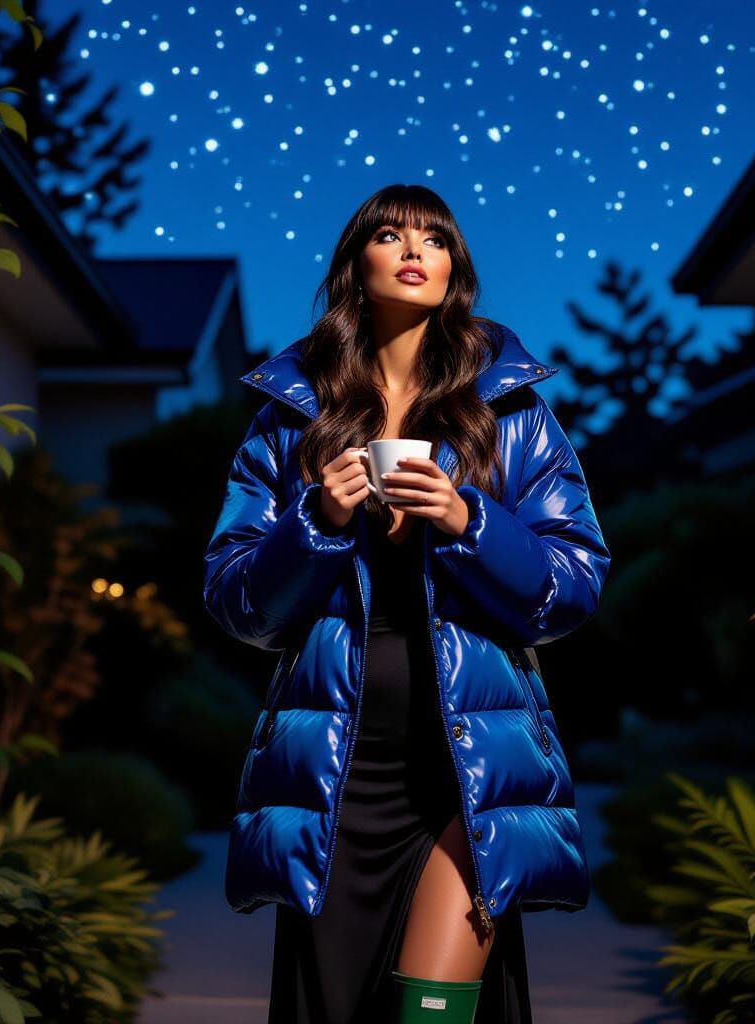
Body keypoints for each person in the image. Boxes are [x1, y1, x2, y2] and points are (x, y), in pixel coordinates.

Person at [203, 183, 612, 1023]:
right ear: (358, 266)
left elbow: (572, 587)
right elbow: (239, 602)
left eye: (435, 237)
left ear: (455, 266)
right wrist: (315, 520)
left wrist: (470, 521)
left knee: (435, 1011)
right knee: (337, 1004)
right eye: (390, 235)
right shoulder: (289, 419)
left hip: (468, 765)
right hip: (333, 773)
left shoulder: (512, 412)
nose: (415, 249)